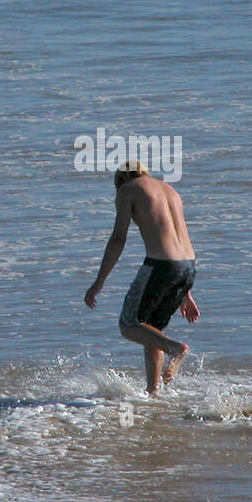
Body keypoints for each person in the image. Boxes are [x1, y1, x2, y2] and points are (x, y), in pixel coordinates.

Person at [84, 162, 199, 394]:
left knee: (128, 325)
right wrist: (186, 293)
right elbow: (178, 238)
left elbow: (118, 239)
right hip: (187, 267)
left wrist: (98, 282)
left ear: (121, 180)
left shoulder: (129, 190)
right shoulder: (170, 190)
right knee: (151, 330)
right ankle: (153, 393)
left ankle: (175, 348)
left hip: (160, 267)